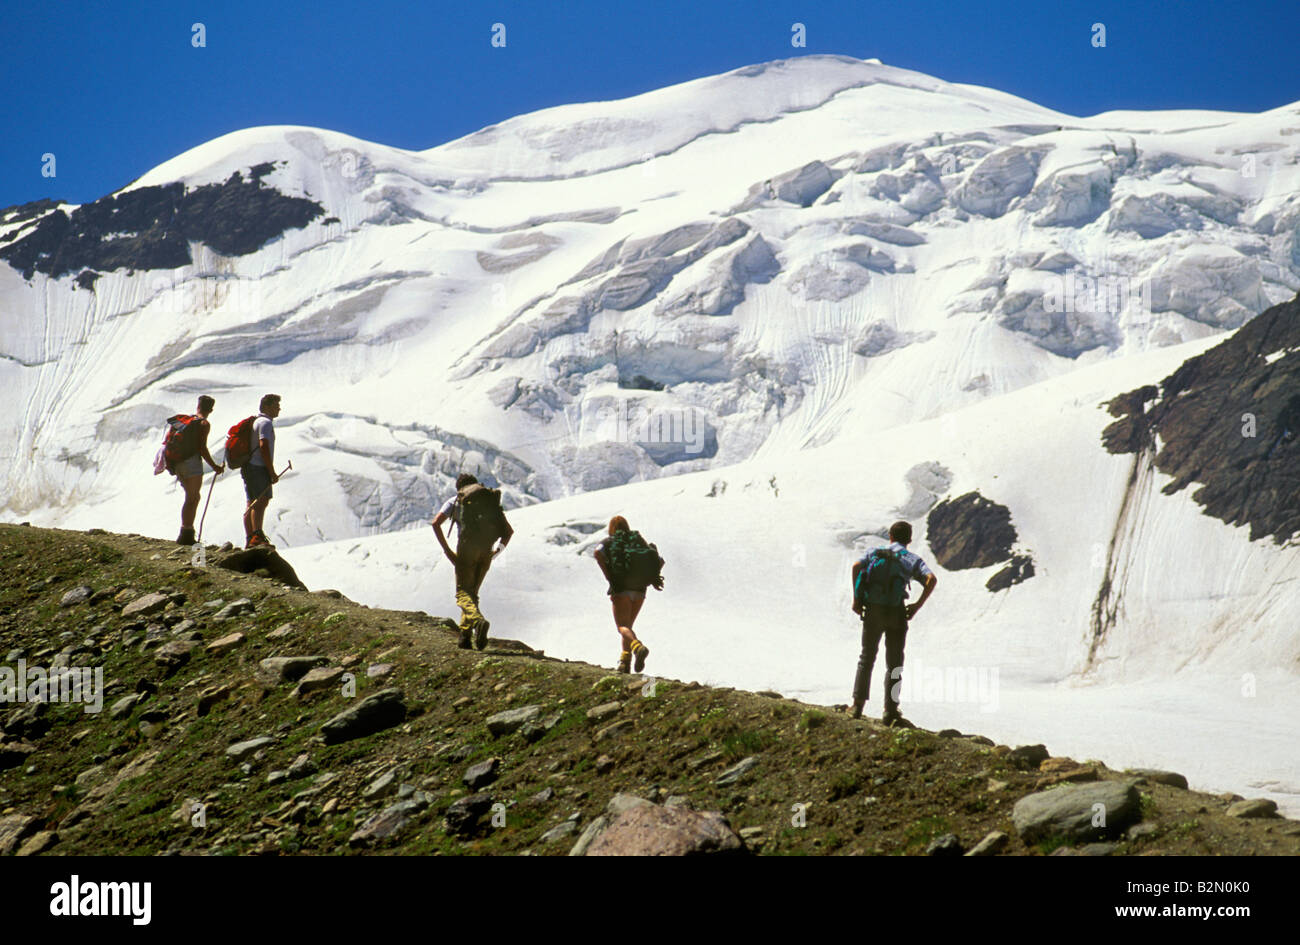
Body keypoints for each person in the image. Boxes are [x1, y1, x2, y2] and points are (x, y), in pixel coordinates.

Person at [850, 520, 937, 725]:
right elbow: (931, 580)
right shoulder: (911, 559)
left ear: (890, 536)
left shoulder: (875, 552)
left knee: (867, 657)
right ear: (909, 539)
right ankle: (890, 711)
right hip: (896, 613)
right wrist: (916, 605)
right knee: (895, 663)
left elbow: (856, 566)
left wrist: (856, 599)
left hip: (873, 610)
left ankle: (857, 706)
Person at [432, 473, 513, 650]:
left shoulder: (455, 501)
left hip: (466, 549)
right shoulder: (488, 501)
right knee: (472, 594)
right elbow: (508, 531)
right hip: (486, 549)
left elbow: (436, 523)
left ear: (459, 488)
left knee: (462, 594)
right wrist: (495, 553)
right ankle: (465, 637)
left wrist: (447, 551)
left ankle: (477, 622)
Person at [593, 516, 664, 674]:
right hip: (640, 591)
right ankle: (625, 663)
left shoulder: (609, 541)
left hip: (621, 588)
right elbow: (659, 560)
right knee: (629, 627)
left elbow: (597, 553)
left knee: (622, 627)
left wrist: (608, 575)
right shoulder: (639, 542)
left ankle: (638, 648)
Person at [172, 396, 224, 545]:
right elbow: (202, 448)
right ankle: (186, 534)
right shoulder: (203, 424)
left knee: (191, 497)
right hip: (192, 463)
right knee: (193, 498)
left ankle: (186, 532)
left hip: (178, 463)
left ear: (198, 406)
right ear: (211, 409)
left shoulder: (184, 421)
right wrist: (215, 466)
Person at [241, 394, 283, 549]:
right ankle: (257, 535)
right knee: (261, 501)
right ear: (267, 406)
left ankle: (250, 537)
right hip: (258, 467)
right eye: (275, 405)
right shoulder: (265, 423)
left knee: (251, 502)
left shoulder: (257, 421)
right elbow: (263, 445)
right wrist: (271, 471)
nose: (279, 408)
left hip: (249, 466)